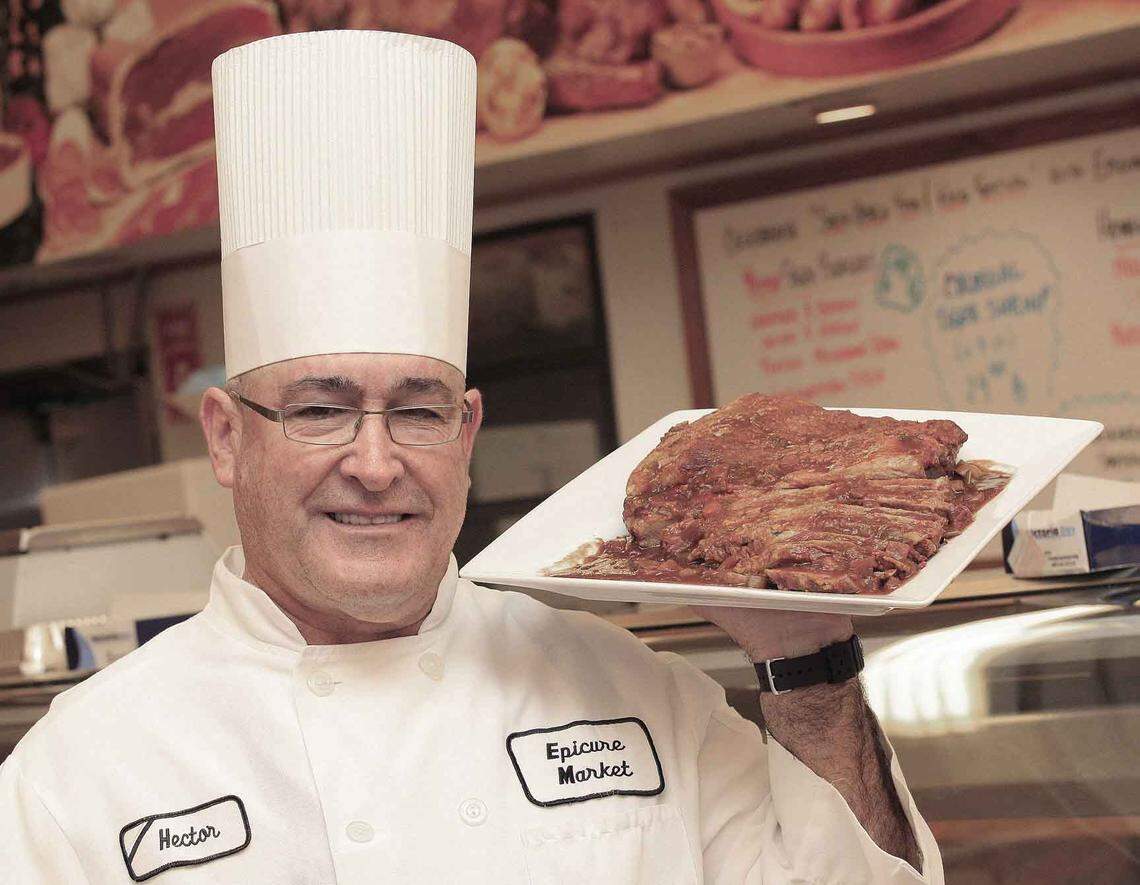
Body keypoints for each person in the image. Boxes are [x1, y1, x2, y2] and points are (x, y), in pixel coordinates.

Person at [1, 30, 941, 883]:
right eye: (321, 410)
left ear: (467, 432)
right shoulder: (78, 775)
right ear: (226, 436)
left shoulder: (634, 690)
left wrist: (805, 660)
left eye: (419, 410)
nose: (376, 465)